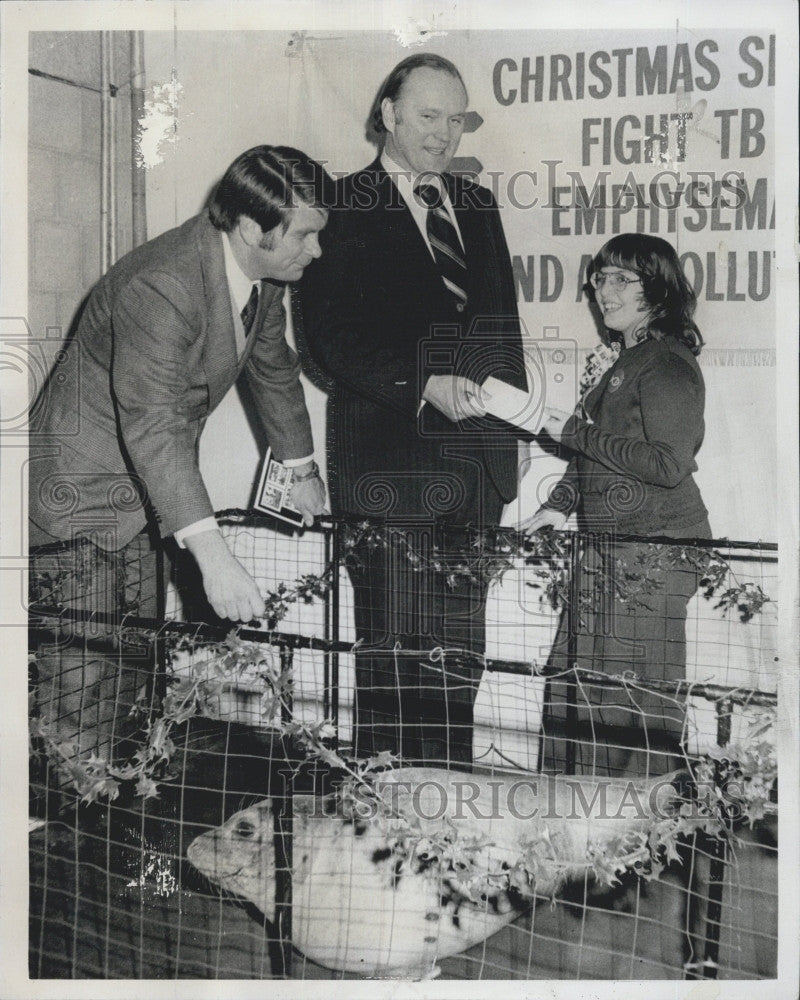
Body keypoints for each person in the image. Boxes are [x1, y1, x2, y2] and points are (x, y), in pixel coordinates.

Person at [28, 145, 333, 770]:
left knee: (134, 676)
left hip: (144, 497)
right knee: (82, 687)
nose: (317, 251)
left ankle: (108, 820)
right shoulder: (161, 284)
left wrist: (301, 469)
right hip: (81, 499)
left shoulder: (262, 278)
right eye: (304, 236)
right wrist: (214, 558)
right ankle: (66, 846)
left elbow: (273, 369)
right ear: (252, 228)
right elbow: (157, 426)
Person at [299, 54, 526, 767]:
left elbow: (502, 330)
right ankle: (384, 844)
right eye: (428, 115)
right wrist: (424, 382)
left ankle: (446, 836)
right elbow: (329, 343)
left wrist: (507, 447)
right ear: (388, 114)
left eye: (455, 118)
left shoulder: (479, 205)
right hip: (389, 475)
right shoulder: (339, 204)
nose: (443, 133)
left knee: (460, 665)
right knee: (396, 667)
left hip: (475, 478)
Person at [526, 233, 711, 778]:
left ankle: (632, 847)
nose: (603, 290)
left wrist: (577, 434)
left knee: (629, 702)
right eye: (599, 278)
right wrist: (557, 506)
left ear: (657, 288)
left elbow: (667, 464)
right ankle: (572, 838)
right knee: (575, 683)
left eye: (621, 279)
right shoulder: (623, 358)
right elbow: (594, 458)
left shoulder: (668, 363)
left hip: (654, 553)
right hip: (609, 548)